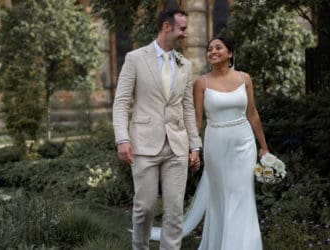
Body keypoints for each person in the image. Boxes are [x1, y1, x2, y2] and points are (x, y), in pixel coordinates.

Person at [112, 9, 203, 250]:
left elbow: (187, 107)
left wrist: (195, 145)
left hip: (177, 145)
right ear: (166, 27)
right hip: (144, 143)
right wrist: (122, 139)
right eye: (182, 28)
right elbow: (121, 102)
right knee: (145, 207)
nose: (186, 33)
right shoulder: (135, 58)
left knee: (175, 210)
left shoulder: (186, 65)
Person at [184, 37, 269, 249]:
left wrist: (264, 147)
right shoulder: (201, 83)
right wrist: (193, 149)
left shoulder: (245, 78)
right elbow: (197, 120)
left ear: (230, 53)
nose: (213, 51)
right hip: (216, 146)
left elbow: (253, 114)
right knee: (221, 196)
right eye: (209, 49)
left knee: (241, 194)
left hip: (244, 143)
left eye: (218, 47)